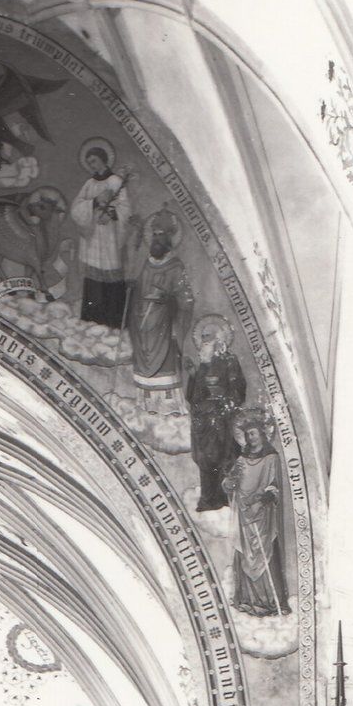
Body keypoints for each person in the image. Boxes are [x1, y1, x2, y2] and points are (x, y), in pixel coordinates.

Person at [226, 409, 288, 617]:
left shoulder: (271, 459)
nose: (249, 438)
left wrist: (260, 501)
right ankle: (246, 600)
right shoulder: (242, 461)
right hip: (244, 515)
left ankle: (271, 601)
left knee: (265, 553)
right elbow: (231, 483)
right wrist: (229, 484)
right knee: (244, 553)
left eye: (253, 433)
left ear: (262, 433)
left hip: (263, 516)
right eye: (247, 434)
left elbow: (274, 487)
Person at [127, 209, 195, 390]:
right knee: (142, 372)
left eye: (161, 235)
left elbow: (186, 300)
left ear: (169, 239)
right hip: (143, 323)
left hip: (163, 326)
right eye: (154, 235)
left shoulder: (176, 267)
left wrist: (167, 299)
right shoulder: (147, 263)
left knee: (166, 366)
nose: (156, 239)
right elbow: (138, 290)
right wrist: (132, 289)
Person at [185, 315, 247, 512]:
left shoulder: (229, 361)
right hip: (203, 420)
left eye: (207, 338)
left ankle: (222, 495)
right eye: (202, 338)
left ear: (218, 340)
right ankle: (208, 498)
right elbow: (193, 396)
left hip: (221, 419)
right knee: (205, 459)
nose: (203, 343)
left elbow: (238, 389)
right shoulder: (203, 365)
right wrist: (194, 375)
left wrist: (224, 403)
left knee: (222, 456)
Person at [68, 139, 130, 326]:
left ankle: (112, 319)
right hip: (93, 236)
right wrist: (94, 203)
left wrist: (112, 213)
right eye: (89, 163)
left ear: (103, 160)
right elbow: (76, 208)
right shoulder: (89, 184)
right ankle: (92, 318)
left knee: (110, 273)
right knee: (93, 275)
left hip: (109, 236)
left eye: (94, 161)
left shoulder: (116, 181)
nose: (91, 166)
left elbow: (126, 208)